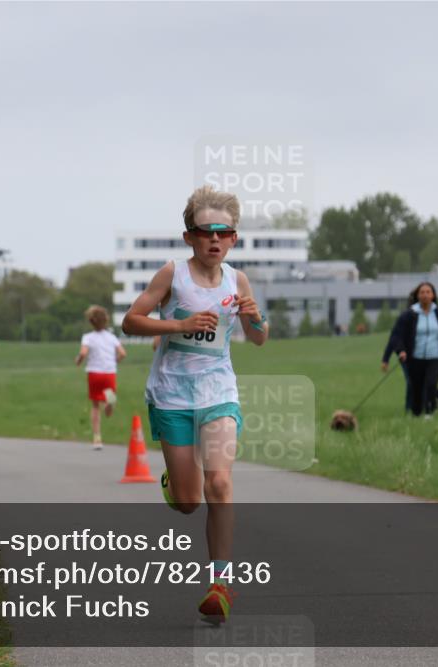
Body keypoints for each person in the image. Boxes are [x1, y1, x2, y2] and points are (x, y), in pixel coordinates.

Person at [122, 185, 269, 624]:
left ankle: (219, 584)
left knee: (219, 484)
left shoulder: (237, 280)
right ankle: (176, 481)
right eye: (206, 232)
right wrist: (179, 323)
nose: (215, 240)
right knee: (189, 501)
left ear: (234, 239)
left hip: (218, 390)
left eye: (224, 233)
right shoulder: (173, 274)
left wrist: (255, 315)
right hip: (172, 392)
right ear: (190, 237)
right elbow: (131, 321)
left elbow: (259, 338)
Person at [382, 282, 438, 418]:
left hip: (435, 357)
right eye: (422, 292)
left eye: (428, 292)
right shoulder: (409, 315)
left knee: (431, 385)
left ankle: (429, 414)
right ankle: (415, 414)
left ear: (433, 295)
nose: (425, 295)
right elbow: (396, 336)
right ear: (417, 295)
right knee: (416, 388)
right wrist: (400, 351)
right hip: (415, 358)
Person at [75, 305, 126, 450]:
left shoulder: (88, 337)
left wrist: (78, 360)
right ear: (106, 321)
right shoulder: (111, 337)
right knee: (110, 398)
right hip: (109, 373)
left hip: (94, 374)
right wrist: (114, 362)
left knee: (96, 406)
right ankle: (110, 404)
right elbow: (122, 353)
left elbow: (83, 353)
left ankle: (97, 439)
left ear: (91, 322)